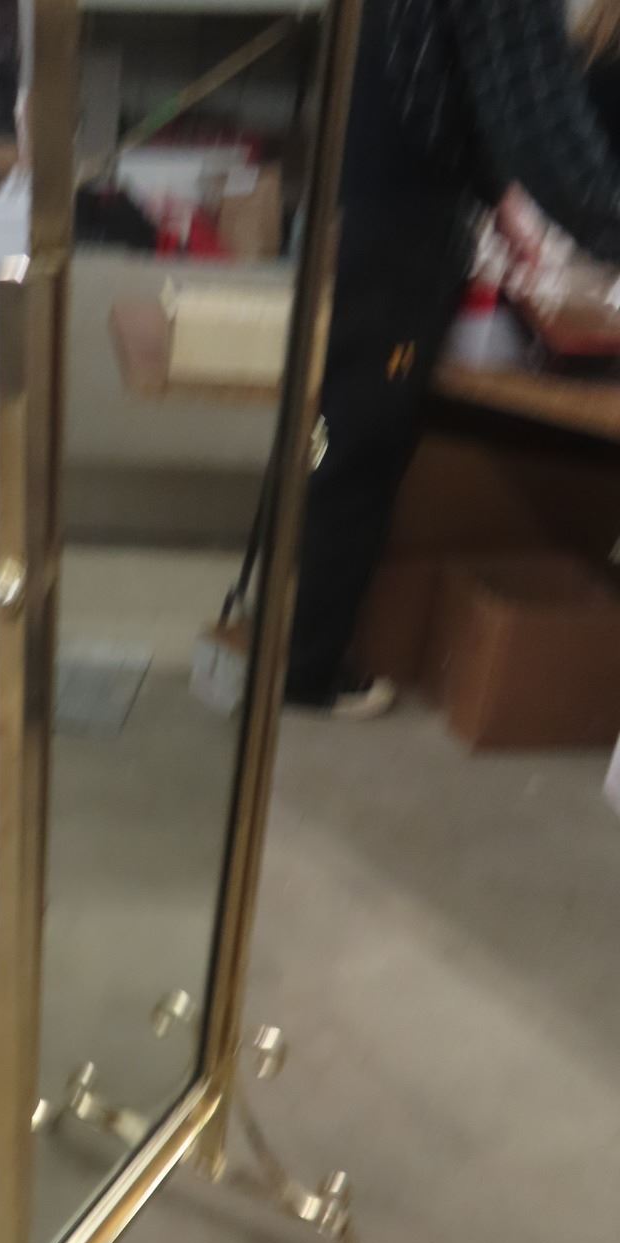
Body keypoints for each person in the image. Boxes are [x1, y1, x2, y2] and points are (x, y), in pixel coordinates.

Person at [284, 0, 620, 718]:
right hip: (402, 227)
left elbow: (443, 86)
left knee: (340, 434)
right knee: (359, 442)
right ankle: (308, 667)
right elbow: (540, 125)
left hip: (375, 209)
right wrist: (600, 224)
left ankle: (297, 644)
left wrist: (497, 193)